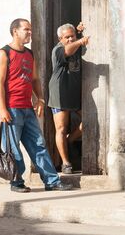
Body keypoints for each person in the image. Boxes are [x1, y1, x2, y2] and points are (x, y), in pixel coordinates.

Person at [0, 18, 73, 192]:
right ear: (15, 31)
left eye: (30, 30)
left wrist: (40, 99)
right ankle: (16, 182)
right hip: (11, 109)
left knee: (39, 144)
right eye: (26, 30)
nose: (30, 32)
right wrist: (2, 109)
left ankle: (52, 181)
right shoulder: (4, 53)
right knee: (13, 148)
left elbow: (35, 79)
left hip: (27, 108)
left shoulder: (29, 54)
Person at [48, 22, 89, 174]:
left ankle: (70, 140)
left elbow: (76, 41)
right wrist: (79, 40)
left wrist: (79, 32)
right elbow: (68, 50)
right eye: (67, 37)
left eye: (73, 36)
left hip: (74, 94)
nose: (70, 39)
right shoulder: (58, 50)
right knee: (61, 128)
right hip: (59, 93)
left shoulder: (76, 43)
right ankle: (66, 163)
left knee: (88, 122)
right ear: (60, 38)